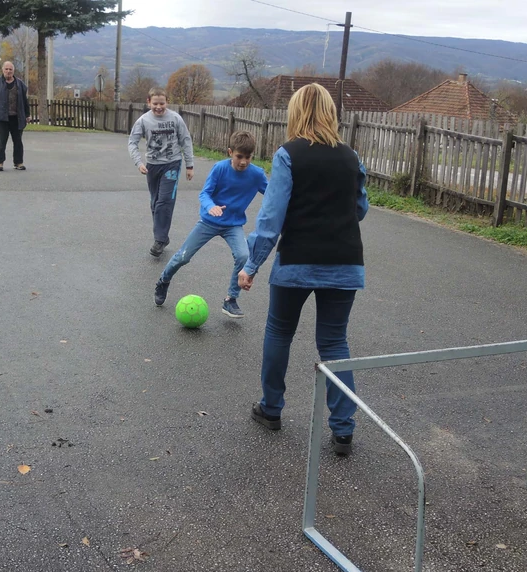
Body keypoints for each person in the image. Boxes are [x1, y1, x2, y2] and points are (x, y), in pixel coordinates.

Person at [238, 83, 369, 457]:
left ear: (295, 112)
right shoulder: (351, 156)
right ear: (331, 112)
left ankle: (272, 409)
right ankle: (343, 430)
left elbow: (271, 217)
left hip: (297, 261)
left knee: (279, 332)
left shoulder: (288, 154)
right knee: (334, 343)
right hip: (345, 263)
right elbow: (359, 209)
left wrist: (251, 266)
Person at [153, 131, 268, 318]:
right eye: (239, 156)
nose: (244, 162)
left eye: (248, 157)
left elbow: (273, 194)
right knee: (183, 257)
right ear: (230, 152)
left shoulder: (256, 174)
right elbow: (204, 194)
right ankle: (163, 280)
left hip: (233, 225)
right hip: (209, 221)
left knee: (243, 255)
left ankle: (230, 299)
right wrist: (211, 206)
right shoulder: (220, 168)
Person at [128, 88, 194, 258]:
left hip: (172, 164)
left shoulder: (175, 118)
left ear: (167, 102)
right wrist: (139, 163)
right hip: (152, 166)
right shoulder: (143, 120)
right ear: (148, 102)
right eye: (155, 103)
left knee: (164, 201)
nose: (158, 107)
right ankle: (163, 238)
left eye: (162, 103)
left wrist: (189, 165)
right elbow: (132, 143)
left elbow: (185, 140)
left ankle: (159, 239)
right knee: (155, 203)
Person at [0, 61, 31, 171]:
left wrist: (27, 115)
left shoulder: (20, 84)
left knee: (18, 142)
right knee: (1, 142)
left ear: (13, 71)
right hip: (3, 117)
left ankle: (18, 163)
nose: (8, 71)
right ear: (2, 70)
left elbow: (25, 101)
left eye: (10, 69)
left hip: (17, 118)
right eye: (6, 69)